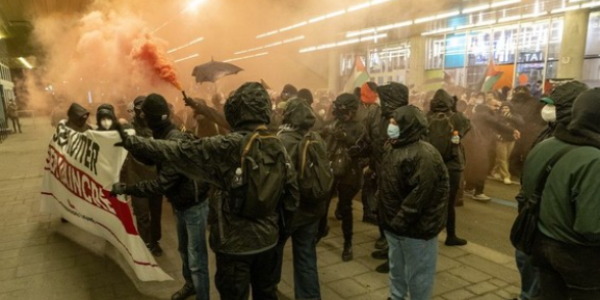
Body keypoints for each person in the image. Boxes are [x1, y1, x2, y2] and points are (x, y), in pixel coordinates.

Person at [116, 82, 299, 300]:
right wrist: (280, 236)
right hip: (268, 242)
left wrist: (133, 142)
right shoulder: (277, 145)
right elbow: (292, 196)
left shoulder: (228, 145)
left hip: (233, 245)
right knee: (266, 294)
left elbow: (178, 150)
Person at [112, 94, 209, 300]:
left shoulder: (173, 139)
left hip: (194, 206)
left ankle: (202, 295)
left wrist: (128, 189)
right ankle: (190, 285)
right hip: (182, 203)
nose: (142, 117)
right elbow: (150, 154)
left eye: (145, 114)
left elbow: (160, 184)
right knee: (184, 250)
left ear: (153, 117)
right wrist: (127, 141)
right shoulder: (163, 133)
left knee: (196, 258)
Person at [512, 81, 588, 300]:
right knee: (527, 267)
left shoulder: (583, 143)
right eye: (547, 103)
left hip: (556, 232)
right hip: (532, 221)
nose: (547, 109)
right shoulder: (546, 134)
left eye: (554, 105)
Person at [379, 105, 449, 300]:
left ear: (408, 126)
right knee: (397, 272)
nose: (390, 126)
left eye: (395, 123)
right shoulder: (393, 147)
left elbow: (420, 196)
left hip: (417, 231)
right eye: (391, 122)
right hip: (395, 227)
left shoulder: (425, 155)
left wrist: (399, 220)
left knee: (419, 278)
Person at [274, 98, 327, 300]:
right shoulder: (316, 139)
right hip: (312, 210)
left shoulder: (282, 141)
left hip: (288, 212)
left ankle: (270, 290)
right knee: (306, 257)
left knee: (275, 254)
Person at [320, 93, 367, 262]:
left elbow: (362, 148)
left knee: (346, 208)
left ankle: (348, 243)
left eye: (344, 111)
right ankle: (321, 229)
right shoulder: (334, 123)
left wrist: (347, 139)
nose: (341, 114)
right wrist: (326, 132)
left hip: (349, 172)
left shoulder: (359, 127)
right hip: (332, 168)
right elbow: (323, 141)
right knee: (324, 201)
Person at [120, 96, 164, 257]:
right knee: (142, 214)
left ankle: (155, 241)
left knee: (156, 213)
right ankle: (146, 243)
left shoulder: (158, 128)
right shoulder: (129, 128)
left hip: (155, 178)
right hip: (136, 177)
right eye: (139, 109)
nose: (142, 113)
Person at [427, 89, 471, 246]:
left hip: (432, 163)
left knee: (431, 199)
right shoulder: (458, 117)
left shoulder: (426, 116)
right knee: (449, 202)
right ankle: (450, 236)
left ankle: (429, 233)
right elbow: (467, 128)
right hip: (452, 165)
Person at [464, 99, 519, 201]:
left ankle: (469, 187)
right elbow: (497, 124)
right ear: (488, 105)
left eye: (498, 106)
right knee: (482, 168)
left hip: (476, 144)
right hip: (480, 144)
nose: (497, 108)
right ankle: (478, 192)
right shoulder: (485, 114)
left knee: (473, 167)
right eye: (495, 106)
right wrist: (513, 130)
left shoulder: (479, 113)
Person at [492, 102, 524, 185]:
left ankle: (495, 171)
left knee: (505, 157)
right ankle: (506, 176)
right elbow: (495, 126)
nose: (504, 110)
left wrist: (510, 117)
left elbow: (521, 122)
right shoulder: (498, 116)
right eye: (503, 108)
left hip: (511, 139)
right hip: (501, 139)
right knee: (502, 158)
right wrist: (497, 135)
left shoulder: (514, 116)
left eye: (506, 108)